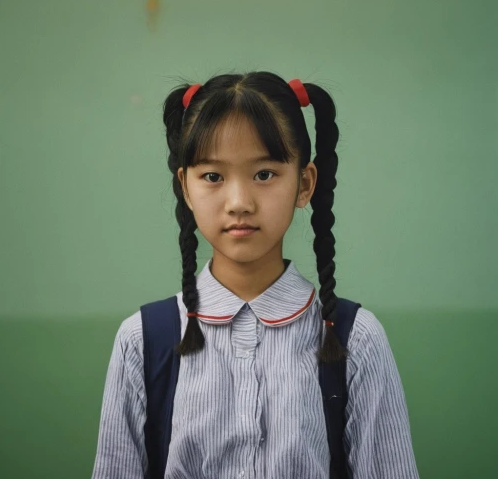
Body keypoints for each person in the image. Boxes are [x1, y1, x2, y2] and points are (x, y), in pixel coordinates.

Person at [91, 71, 420, 479]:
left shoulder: (357, 339)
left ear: (304, 184)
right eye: (213, 176)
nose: (239, 202)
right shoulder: (141, 342)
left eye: (264, 174)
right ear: (186, 188)